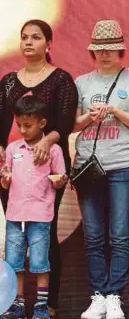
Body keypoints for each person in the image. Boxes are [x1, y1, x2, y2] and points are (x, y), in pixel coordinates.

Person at [0, 19, 78, 318]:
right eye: (24, 37)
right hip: (12, 168)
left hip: (46, 166)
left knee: (44, 232)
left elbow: (65, 121)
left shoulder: (60, 79)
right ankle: (14, 302)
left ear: (49, 44)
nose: (28, 42)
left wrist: (48, 142)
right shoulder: (7, 81)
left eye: (35, 37)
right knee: (14, 236)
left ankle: (49, 305)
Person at [73, 20, 129, 319]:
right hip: (88, 166)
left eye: (111, 50)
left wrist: (116, 111)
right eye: (99, 50)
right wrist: (88, 118)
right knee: (93, 235)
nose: (105, 55)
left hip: (122, 164)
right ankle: (98, 295)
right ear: (93, 52)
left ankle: (114, 295)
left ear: (120, 50)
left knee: (119, 234)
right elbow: (71, 123)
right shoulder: (81, 82)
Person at [0, 96, 67, 319]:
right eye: (18, 125)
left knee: (40, 261)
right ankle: (17, 304)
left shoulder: (54, 150)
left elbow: (61, 177)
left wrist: (59, 180)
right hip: (14, 214)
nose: (22, 130)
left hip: (41, 214)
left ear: (42, 123)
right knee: (14, 261)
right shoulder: (12, 148)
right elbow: (6, 179)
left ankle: (41, 306)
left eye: (27, 125)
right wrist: (5, 178)